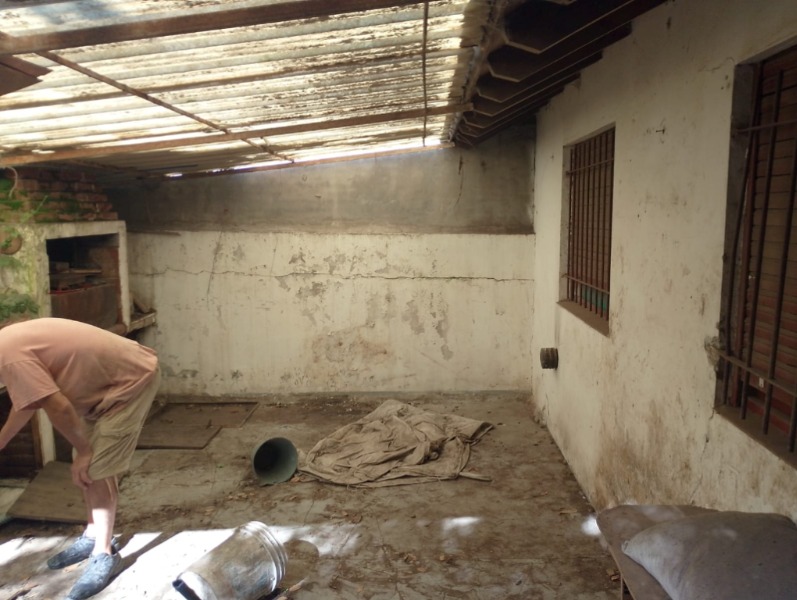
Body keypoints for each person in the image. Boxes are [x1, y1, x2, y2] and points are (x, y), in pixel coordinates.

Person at [0, 317, 160, 600]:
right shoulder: (7, 345)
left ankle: (104, 553)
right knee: (86, 462)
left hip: (130, 383)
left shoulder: (10, 357)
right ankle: (93, 534)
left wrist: (85, 452)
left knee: (95, 467)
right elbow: (27, 402)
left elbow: (59, 407)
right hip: (105, 385)